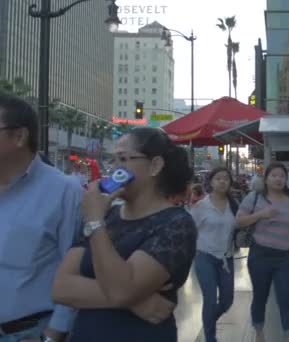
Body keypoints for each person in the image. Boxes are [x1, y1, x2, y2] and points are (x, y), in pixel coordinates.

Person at [52, 127, 197, 342]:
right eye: (113, 160)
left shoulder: (176, 223)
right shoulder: (107, 216)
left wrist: (94, 222)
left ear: (155, 165)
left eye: (123, 159)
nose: (114, 168)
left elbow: (121, 289)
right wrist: (138, 301)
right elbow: (61, 288)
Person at [0, 94, 82, 342]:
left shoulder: (65, 191)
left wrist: (53, 335)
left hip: (29, 332)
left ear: (19, 136)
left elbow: (76, 268)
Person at [236, 162, 289, 342]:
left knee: (286, 300)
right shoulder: (254, 198)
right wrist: (261, 214)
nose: (279, 179)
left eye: (282, 176)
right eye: (274, 175)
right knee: (260, 297)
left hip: (285, 258)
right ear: (266, 179)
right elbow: (239, 221)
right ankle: (259, 333)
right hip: (260, 256)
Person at [190, 167, 239, 342]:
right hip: (205, 256)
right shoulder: (201, 206)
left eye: (226, 179)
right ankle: (210, 337)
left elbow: (240, 226)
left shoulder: (234, 205)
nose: (222, 181)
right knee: (210, 299)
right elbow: (189, 231)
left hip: (226, 258)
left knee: (227, 300)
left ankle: (208, 320)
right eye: (218, 178)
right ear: (210, 182)